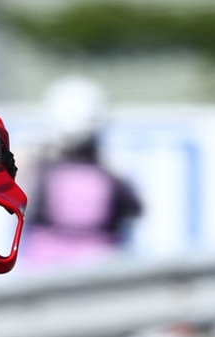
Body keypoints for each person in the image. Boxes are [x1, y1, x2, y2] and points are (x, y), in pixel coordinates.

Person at [23, 75, 142, 264]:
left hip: (47, 269)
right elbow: (134, 211)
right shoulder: (112, 173)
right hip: (101, 269)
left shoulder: (39, 169)